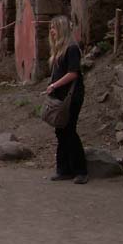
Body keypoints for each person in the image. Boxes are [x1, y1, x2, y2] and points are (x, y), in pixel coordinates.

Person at [45, 15, 88, 184]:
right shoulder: (60, 49)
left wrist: (54, 85)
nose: (51, 32)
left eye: (54, 28)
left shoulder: (71, 49)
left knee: (69, 131)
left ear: (61, 29)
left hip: (72, 96)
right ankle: (64, 169)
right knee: (61, 132)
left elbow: (73, 73)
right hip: (61, 97)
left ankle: (80, 170)